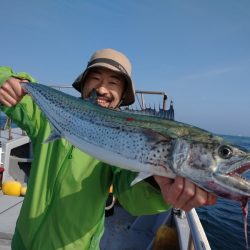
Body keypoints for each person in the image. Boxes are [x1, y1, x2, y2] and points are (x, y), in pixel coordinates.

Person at [0, 48, 216, 250]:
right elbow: (10, 89)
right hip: (22, 242)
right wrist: (9, 81)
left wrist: (157, 185)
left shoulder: (125, 140)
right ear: (83, 84)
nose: (102, 89)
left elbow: (132, 197)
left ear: (122, 96)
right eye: (95, 78)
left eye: (113, 82)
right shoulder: (47, 117)